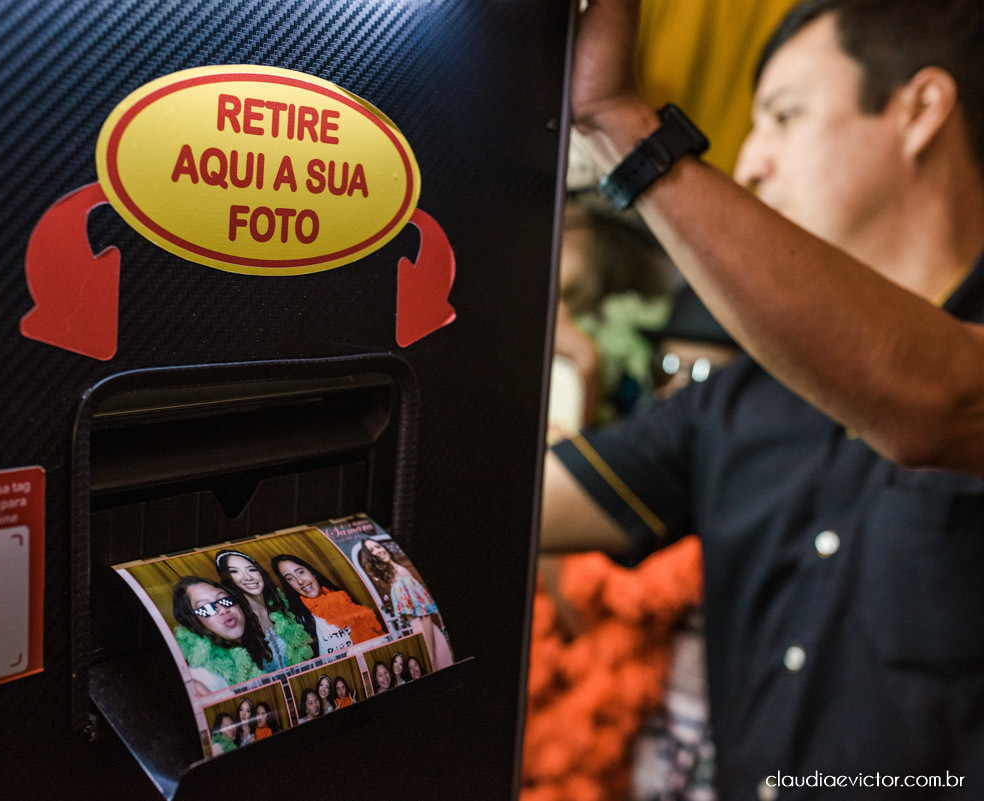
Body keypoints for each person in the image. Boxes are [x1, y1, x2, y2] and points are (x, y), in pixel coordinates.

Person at [547, 0, 984, 797]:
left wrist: (622, 126)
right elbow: (520, 500)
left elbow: (937, 401)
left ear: (919, 111)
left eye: (784, 116)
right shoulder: (741, 396)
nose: (749, 163)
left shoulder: (945, 387)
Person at [357, 538, 454, 670]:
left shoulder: (402, 573)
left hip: (429, 637)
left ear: (384, 547)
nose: (378, 552)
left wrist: (430, 655)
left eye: (378, 547)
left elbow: (425, 616)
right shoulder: (393, 577)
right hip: (419, 635)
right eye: (372, 551)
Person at [171, 576, 272, 694]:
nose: (223, 609)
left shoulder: (260, 640)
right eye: (206, 608)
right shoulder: (205, 678)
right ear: (194, 623)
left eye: (225, 600)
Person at [215, 549, 314, 668]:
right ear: (229, 580)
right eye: (235, 571)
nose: (248, 577)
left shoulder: (283, 605)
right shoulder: (235, 621)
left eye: (251, 569)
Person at [272, 553, 385, 655]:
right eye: (290, 579)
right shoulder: (299, 622)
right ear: (289, 586)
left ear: (312, 573)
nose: (300, 581)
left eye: (301, 572)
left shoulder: (344, 599)